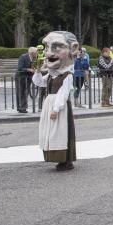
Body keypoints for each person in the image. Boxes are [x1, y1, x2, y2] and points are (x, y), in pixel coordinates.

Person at [33, 31, 77, 171]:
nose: (49, 53)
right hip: (50, 103)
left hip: (59, 106)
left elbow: (63, 94)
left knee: (61, 131)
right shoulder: (52, 75)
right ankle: (59, 158)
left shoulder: (67, 75)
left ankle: (66, 160)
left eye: (57, 47)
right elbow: (39, 82)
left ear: (73, 49)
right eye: (46, 47)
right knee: (52, 131)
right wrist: (38, 70)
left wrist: (56, 109)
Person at [15, 46, 37, 113]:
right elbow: (20, 68)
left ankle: (23, 107)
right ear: (32, 53)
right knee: (20, 92)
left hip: (28, 78)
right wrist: (28, 69)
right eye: (36, 52)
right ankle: (21, 107)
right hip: (20, 78)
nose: (37, 54)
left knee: (26, 92)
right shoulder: (23, 57)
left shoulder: (34, 58)